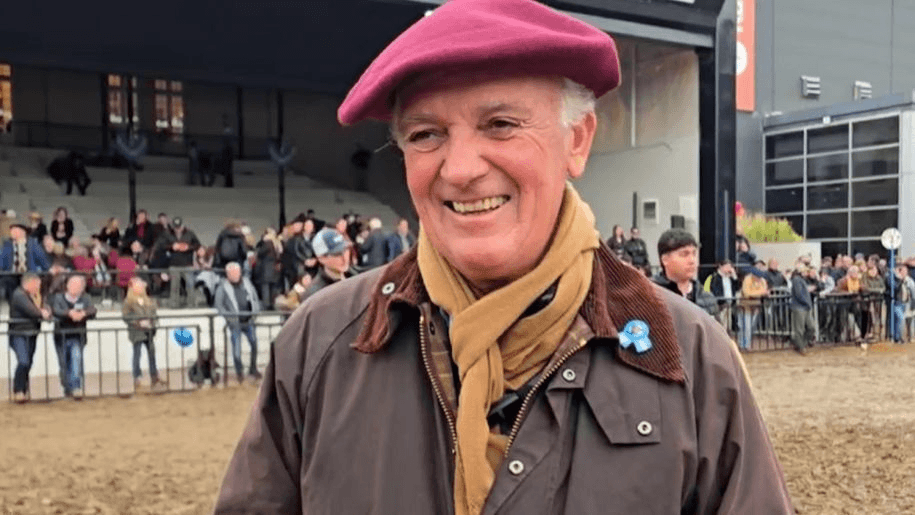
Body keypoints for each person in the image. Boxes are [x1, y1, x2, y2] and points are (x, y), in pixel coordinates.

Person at [215, 1, 793, 513]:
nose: (461, 169)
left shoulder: (686, 357)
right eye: (426, 134)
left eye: (500, 124)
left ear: (577, 140)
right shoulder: (320, 345)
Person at [651, 229, 717, 316]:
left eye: (694, 254)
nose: (692, 260)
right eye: (684, 254)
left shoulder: (706, 297)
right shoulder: (650, 294)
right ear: (665, 259)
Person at [214, 262, 261, 383]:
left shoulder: (248, 283)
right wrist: (230, 318)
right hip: (235, 323)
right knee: (236, 351)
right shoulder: (222, 287)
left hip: (249, 321)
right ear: (227, 274)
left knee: (254, 345)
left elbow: (255, 298)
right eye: (232, 273)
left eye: (237, 272)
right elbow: (219, 306)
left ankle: (253, 368)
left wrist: (255, 311)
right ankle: (239, 372)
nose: (235, 275)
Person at [9, 273, 52, 402]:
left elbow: (46, 306)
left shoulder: (36, 295)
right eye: (36, 284)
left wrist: (46, 312)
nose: (38, 287)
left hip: (32, 333)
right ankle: (18, 390)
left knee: (28, 362)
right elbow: (32, 311)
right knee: (24, 361)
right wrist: (42, 313)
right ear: (28, 283)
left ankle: (22, 390)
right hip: (19, 334)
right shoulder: (19, 295)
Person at [51, 274, 97, 398]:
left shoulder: (85, 298)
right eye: (72, 284)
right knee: (64, 363)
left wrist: (83, 313)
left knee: (76, 360)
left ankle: (76, 387)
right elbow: (55, 310)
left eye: (77, 285)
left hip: (77, 335)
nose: (74, 287)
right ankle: (67, 387)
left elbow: (93, 310)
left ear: (82, 288)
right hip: (61, 336)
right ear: (67, 285)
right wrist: (69, 313)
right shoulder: (59, 297)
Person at [122, 277, 164, 389]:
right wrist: (138, 322)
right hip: (137, 331)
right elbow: (126, 316)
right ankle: (137, 376)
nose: (142, 288)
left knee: (151, 352)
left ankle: (154, 375)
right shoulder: (128, 302)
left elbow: (154, 314)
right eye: (139, 286)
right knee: (137, 353)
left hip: (149, 331)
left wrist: (151, 322)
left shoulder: (148, 300)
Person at [1, 220, 51, 300]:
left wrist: (48, 269)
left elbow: (42, 260)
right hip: (12, 274)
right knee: (8, 281)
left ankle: (28, 302)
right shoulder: (7, 244)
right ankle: (14, 303)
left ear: (23, 232)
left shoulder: (33, 243)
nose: (12, 233)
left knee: (30, 281)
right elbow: (2, 261)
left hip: (28, 273)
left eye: (15, 230)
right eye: (12, 230)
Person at [302, 227, 352, 301]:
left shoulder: (355, 276)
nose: (344, 257)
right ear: (321, 258)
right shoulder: (315, 294)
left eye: (345, 250)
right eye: (337, 254)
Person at [162, 217, 201, 308]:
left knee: (190, 285)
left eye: (179, 227)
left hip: (187, 263)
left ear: (182, 226)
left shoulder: (190, 233)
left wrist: (188, 247)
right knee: (174, 286)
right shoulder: (168, 234)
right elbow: (163, 246)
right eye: (176, 228)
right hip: (174, 263)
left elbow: (197, 245)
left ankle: (191, 304)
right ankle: (174, 304)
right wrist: (172, 247)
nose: (177, 229)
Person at [738, 260, 769, 350]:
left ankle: (746, 344)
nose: (759, 278)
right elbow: (747, 293)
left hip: (756, 306)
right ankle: (743, 345)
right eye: (757, 276)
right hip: (745, 306)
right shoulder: (747, 279)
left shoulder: (762, 280)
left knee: (751, 327)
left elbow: (764, 290)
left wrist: (759, 292)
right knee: (745, 327)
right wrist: (760, 292)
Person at [280, 214, 314, 288]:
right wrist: (305, 260)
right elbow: (296, 252)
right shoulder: (295, 239)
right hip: (294, 268)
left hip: (299, 268)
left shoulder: (307, 238)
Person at [252, 227, 283, 310]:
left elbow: (260, 253)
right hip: (274, 270)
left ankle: (266, 308)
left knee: (265, 289)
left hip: (266, 270)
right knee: (272, 290)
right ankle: (272, 307)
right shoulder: (277, 243)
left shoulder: (267, 243)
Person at [788, 265, 815, 355]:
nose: (807, 273)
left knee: (811, 327)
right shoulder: (797, 280)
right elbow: (799, 294)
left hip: (805, 307)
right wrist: (807, 302)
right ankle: (801, 346)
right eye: (806, 271)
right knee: (799, 329)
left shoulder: (801, 280)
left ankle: (801, 344)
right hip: (799, 307)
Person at [709, 259, 738, 329]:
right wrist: (722, 301)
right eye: (727, 266)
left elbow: (737, 287)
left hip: (729, 304)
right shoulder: (715, 277)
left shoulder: (729, 277)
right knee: (721, 325)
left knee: (728, 325)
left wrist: (734, 276)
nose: (729, 269)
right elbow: (715, 291)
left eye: (730, 267)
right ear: (721, 267)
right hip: (721, 305)